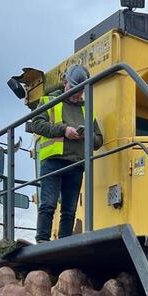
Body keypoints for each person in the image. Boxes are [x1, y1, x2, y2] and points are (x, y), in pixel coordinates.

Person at [31, 64, 103, 242]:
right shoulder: (48, 101)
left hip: (76, 164)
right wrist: (64, 130)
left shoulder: (87, 110)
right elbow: (37, 124)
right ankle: (42, 240)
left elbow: (99, 141)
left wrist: (87, 135)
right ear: (65, 83)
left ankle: (64, 242)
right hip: (53, 162)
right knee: (48, 204)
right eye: (73, 89)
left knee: (69, 209)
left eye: (80, 91)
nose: (76, 94)